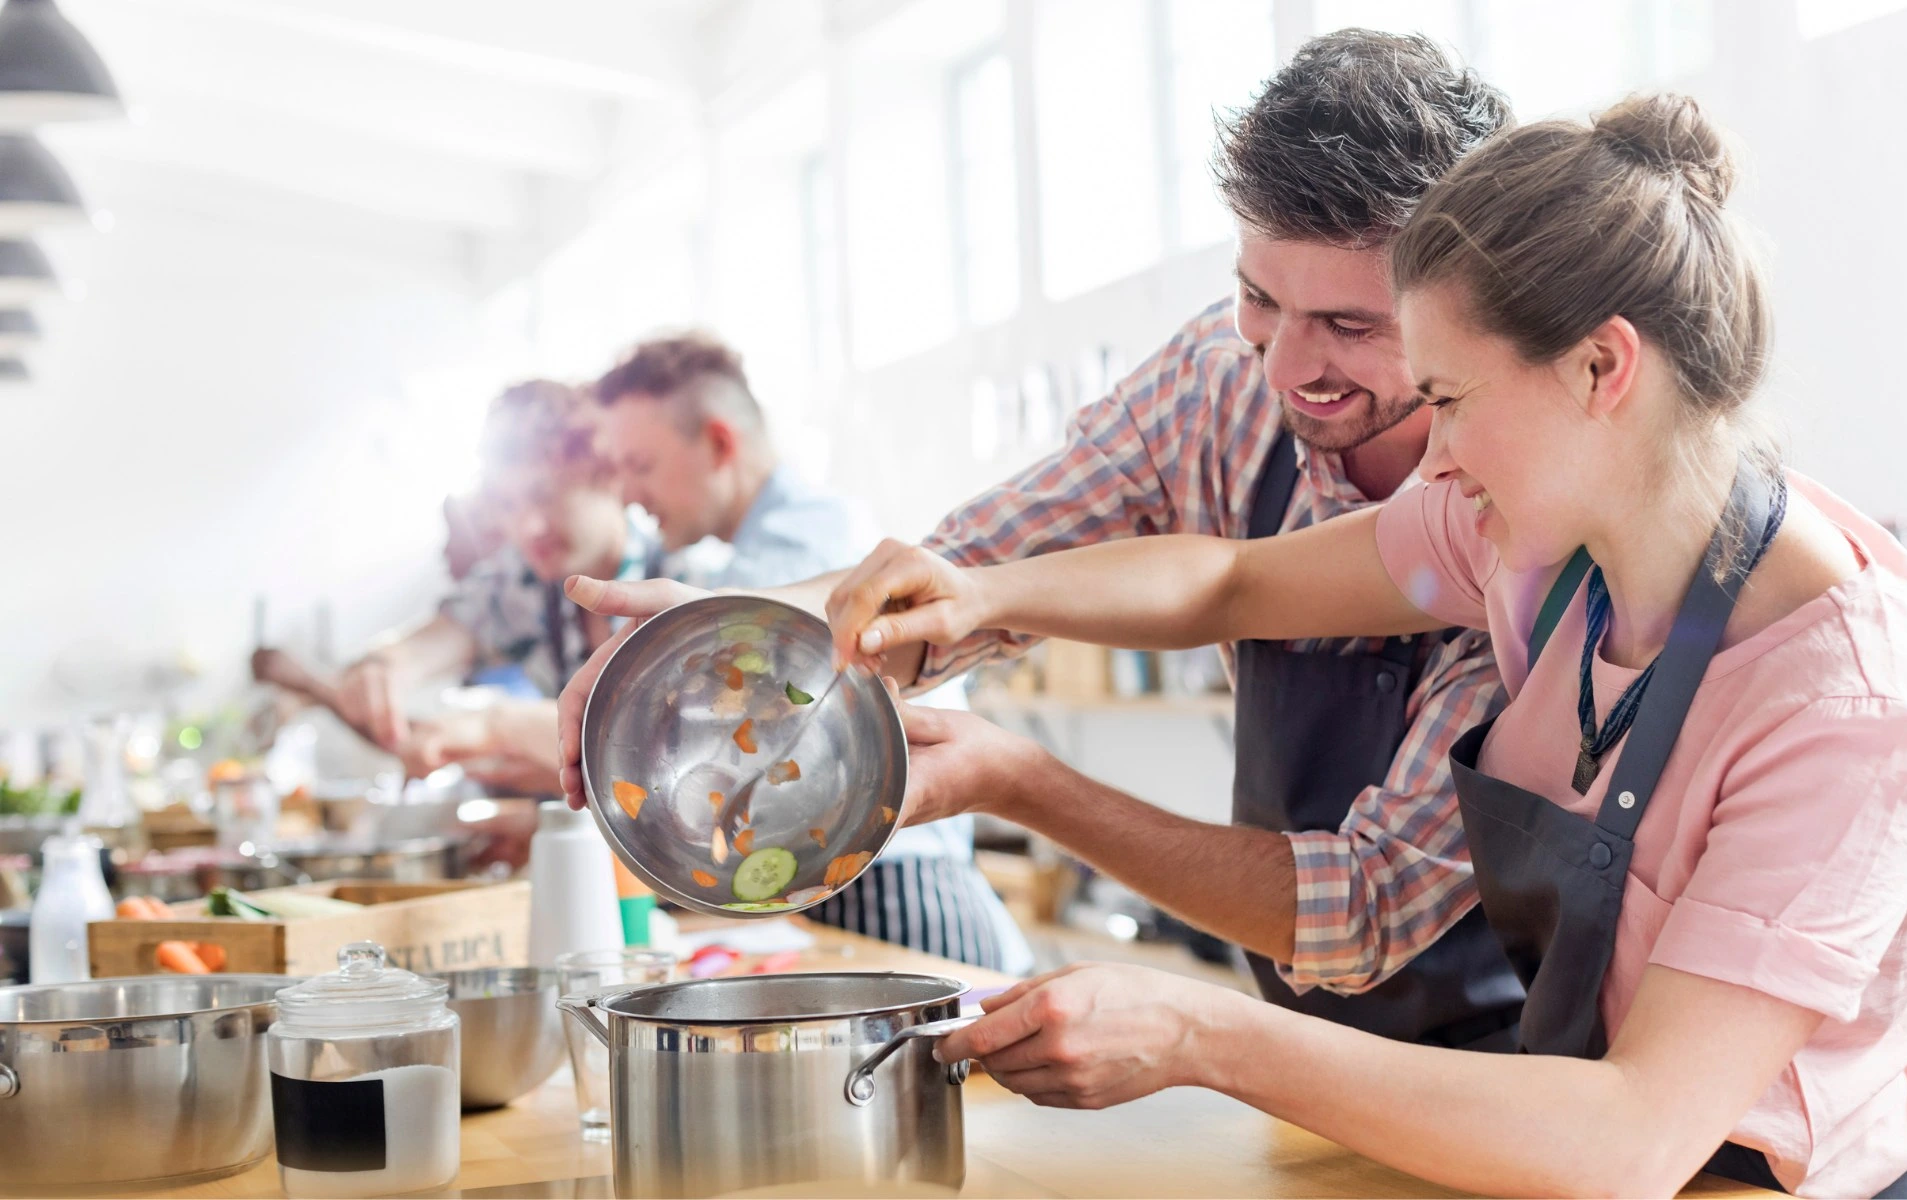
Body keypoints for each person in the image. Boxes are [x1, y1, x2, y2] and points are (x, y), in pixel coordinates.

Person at [823, 95, 1907, 1197]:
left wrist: (1198, 1031)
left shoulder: (1848, 714)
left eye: (1451, 399)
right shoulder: (1527, 548)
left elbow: (1629, 1134)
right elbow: (1228, 579)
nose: (1435, 453)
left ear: (1599, 368)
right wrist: (979, 593)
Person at [557, 30, 1525, 1047]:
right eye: (1257, 297)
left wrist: (1021, 781)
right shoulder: (1215, 380)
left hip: (1504, 1065)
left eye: (1349, 326)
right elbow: (983, 571)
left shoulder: (1517, 510)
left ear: (1461, 303)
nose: (1284, 366)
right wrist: (737, 633)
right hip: (1306, 1043)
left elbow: (1358, 914)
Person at [589, 333, 1032, 973]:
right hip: (845, 884)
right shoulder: (764, 543)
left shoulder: (802, 540)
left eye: (640, 464)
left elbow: (707, 717)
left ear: (717, 443)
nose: (629, 493)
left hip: (895, 887)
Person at [321, 379, 664, 789]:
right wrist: (384, 665)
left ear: (608, 476)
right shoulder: (524, 580)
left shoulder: (686, 579)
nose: (527, 526)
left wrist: (497, 724)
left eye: (544, 495)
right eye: (507, 505)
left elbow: (652, 742)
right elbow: (449, 632)